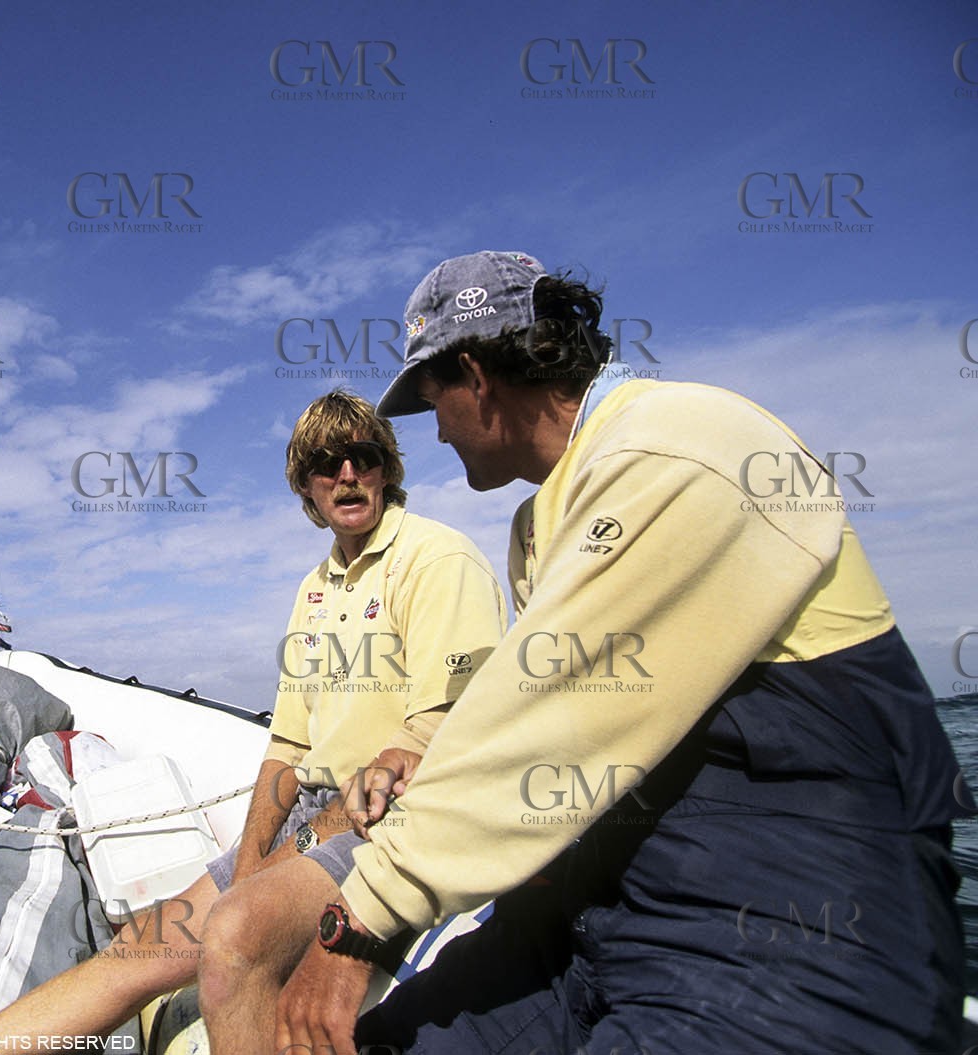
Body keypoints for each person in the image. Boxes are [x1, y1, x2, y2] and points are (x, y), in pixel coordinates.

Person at [272, 251, 971, 1054]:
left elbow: (548, 720)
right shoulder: (543, 523)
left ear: (477, 378)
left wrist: (360, 919)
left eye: (434, 403)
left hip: (803, 928)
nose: (436, 430)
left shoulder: (674, 447)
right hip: (611, 909)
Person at [0, 390, 505, 1054]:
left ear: (387, 468)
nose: (347, 474)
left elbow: (436, 729)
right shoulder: (315, 588)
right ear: (306, 484)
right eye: (327, 463)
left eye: (364, 456)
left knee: (232, 936)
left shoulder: (436, 559)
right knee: (139, 945)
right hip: (317, 809)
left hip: (392, 816)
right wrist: (251, 861)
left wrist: (276, 868)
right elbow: (287, 747)